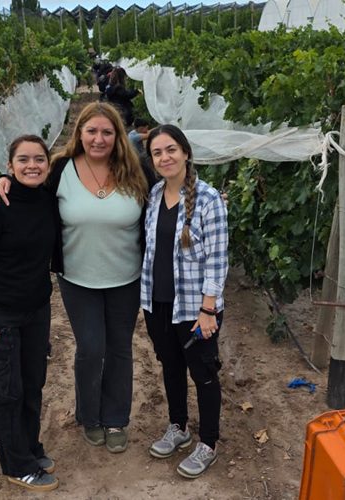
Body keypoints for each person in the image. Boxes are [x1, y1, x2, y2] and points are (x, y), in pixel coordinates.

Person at [0, 102, 157, 454]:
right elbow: (28, 183)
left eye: (107, 132)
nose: (99, 139)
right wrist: (3, 179)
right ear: (79, 133)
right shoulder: (61, 168)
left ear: (118, 135)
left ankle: (115, 418)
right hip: (78, 278)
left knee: (119, 348)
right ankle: (89, 415)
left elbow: (167, 192)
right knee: (91, 348)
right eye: (91, 131)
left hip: (126, 278)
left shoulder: (136, 168)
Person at [0, 135, 59, 491]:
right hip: (1, 315)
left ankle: (30, 448)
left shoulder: (47, 200)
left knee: (32, 384)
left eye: (39, 159)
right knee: (6, 392)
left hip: (37, 310)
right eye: (23, 159)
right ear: (10, 166)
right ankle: (17, 466)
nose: (32, 165)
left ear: (48, 164)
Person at [140, 124, 228, 479]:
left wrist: (209, 309)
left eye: (171, 150)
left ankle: (208, 442)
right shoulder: (154, 194)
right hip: (159, 303)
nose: (165, 157)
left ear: (186, 153)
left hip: (195, 308)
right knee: (171, 367)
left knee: (203, 374)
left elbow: (218, 260)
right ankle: (178, 426)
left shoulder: (208, 199)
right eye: (157, 153)